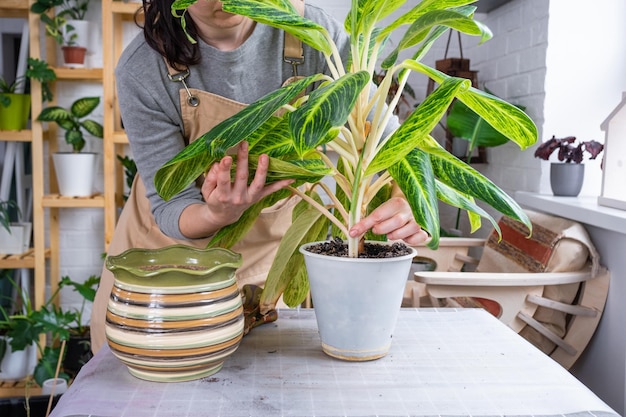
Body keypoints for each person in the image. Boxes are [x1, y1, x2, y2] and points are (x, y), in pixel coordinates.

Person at [90, 0, 428, 354]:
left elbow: (390, 140)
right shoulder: (143, 67)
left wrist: (406, 201)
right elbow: (171, 202)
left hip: (269, 268)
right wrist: (215, 213)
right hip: (167, 269)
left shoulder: (315, 35)